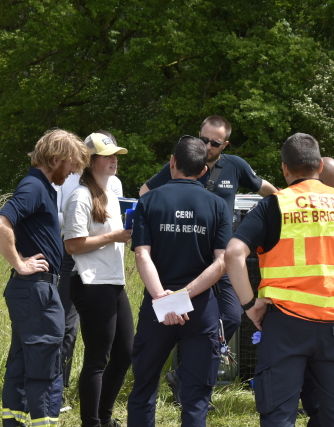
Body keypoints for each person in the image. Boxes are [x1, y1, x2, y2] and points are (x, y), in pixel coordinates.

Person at [225, 133, 334, 427]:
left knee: (278, 415)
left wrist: (250, 305)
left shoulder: (274, 205)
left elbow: (233, 253)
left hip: (285, 324)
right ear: (319, 165)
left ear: (284, 169)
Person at [140, 115, 277, 405]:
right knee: (184, 320)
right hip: (187, 256)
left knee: (232, 316)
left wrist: (285, 203)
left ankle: (185, 375)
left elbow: (264, 187)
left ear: (224, 144)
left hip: (220, 258)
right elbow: (145, 192)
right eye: (204, 139)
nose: (208, 145)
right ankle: (192, 378)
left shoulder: (235, 165)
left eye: (215, 143)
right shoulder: (181, 162)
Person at [127, 136, 232, 426]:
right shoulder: (217, 205)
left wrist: (164, 297)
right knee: (197, 395)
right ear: (202, 171)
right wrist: (183, 295)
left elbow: (141, 255)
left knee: (144, 387)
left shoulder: (148, 200)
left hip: (157, 307)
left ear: (172, 162)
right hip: (200, 310)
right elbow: (222, 262)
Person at [0, 129, 89, 427]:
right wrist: (20, 263)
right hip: (36, 290)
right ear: (56, 158)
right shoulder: (34, 187)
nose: (72, 171)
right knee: (46, 364)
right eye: (71, 164)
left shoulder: (43, 187)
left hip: (30, 292)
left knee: (21, 363)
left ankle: (15, 421)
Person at [63, 132, 134, 427]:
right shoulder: (80, 196)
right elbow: (73, 245)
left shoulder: (112, 196)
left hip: (113, 282)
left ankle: (104, 418)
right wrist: (113, 237)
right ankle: (92, 423)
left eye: (115, 155)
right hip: (91, 284)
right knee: (97, 358)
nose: (114, 160)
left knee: (125, 354)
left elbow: (110, 239)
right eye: (108, 156)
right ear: (91, 162)